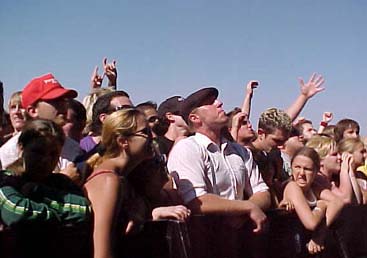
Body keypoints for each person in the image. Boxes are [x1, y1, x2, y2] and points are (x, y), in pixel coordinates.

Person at [168, 87, 269, 258]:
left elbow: (263, 192)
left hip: (241, 242)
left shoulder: (240, 151)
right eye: (210, 103)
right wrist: (246, 207)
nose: (219, 103)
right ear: (195, 118)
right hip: (204, 244)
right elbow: (197, 200)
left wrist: (243, 211)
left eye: (217, 100)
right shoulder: (187, 149)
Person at [84, 108, 190, 258]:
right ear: (123, 141)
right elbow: (102, 250)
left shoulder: (122, 178)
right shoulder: (108, 181)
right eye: (145, 132)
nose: (153, 137)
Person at [0, 119, 91, 258]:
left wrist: (36, 192)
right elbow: (17, 212)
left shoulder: (63, 183)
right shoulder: (6, 180)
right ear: (21, 148)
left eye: (53, 154)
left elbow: (82, 209)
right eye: (38, 152)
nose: (45, 160)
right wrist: (57, 216)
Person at [282, 147, 343, 255]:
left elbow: (338, 202)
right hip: (292, 248)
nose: (301, 173)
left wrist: (320, 234)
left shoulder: (314, 187)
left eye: (307, 169)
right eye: (297, 167)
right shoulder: (292, 187)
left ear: (316, 171)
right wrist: (322, 206)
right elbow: (311, 223)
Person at [338, 137, 367, 204]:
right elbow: (359, 200)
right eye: (362, 152)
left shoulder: (361, 174)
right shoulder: (342, 177)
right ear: (348, 154)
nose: (365, 155)